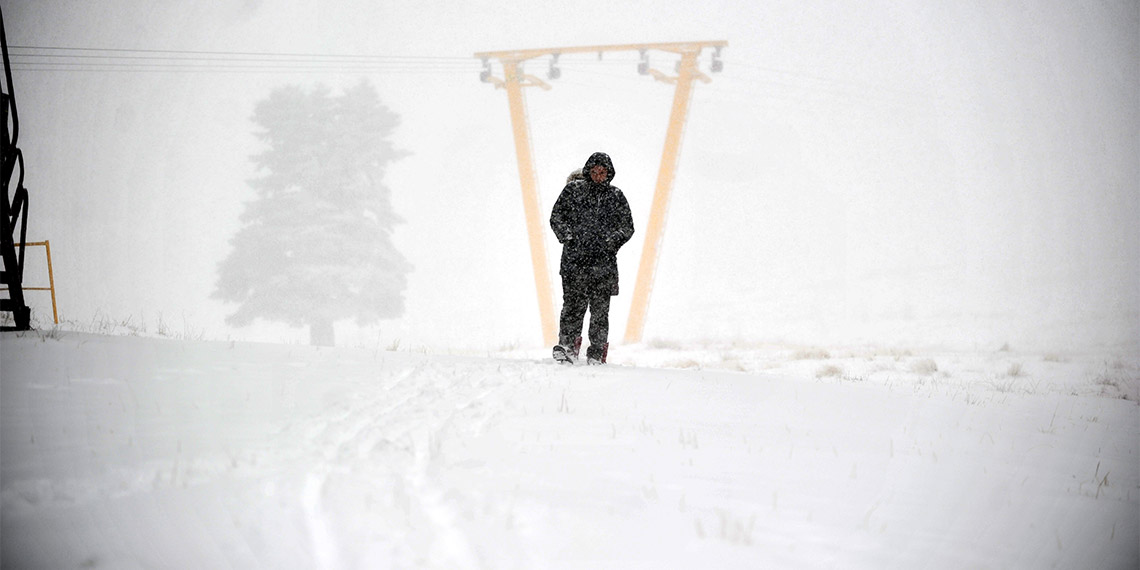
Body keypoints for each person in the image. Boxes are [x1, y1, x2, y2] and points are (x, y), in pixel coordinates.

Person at [549, 152, 635, 364]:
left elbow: (627, 227)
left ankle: (597, 353)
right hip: (574, 262)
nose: (598, 175)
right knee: (572, 306)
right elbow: (556, 217)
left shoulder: (616, 196)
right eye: (594, 171)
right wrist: (568, 237)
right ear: (588, 171)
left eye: (602, 172)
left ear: (609, 173)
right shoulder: (573, 191)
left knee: (599, 312)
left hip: (603, 266)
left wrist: (611, 242)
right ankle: (567, 347)